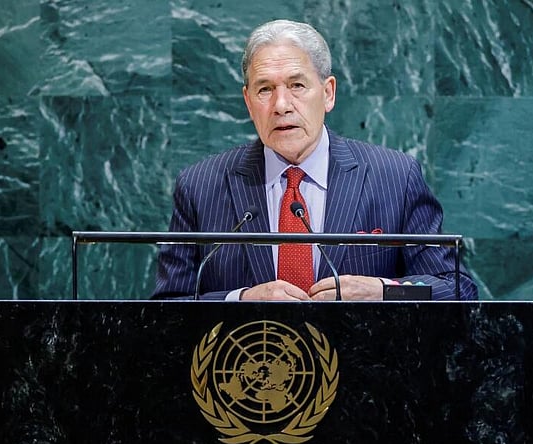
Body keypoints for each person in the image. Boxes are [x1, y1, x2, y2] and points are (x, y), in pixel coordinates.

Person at [152, 19, 477, 301]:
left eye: (296, 85)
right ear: (249, 103)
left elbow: (455, 288)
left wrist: (382, 290)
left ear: (328, 93)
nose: (281, 105)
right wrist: (240, 298)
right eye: (265, 89)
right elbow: (167, 305)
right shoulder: (200, 186)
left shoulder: (394, 177)